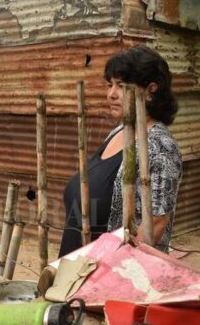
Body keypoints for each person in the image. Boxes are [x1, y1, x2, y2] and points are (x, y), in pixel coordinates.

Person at [59, 46, 182, 256]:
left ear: (151, 90)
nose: (111, 94)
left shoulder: (161, 146)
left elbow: (157, 222)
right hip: (78, 267)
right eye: (109, 85)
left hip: (109, 276)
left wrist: (111, 268)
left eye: (121, 86)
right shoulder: (119, 132)